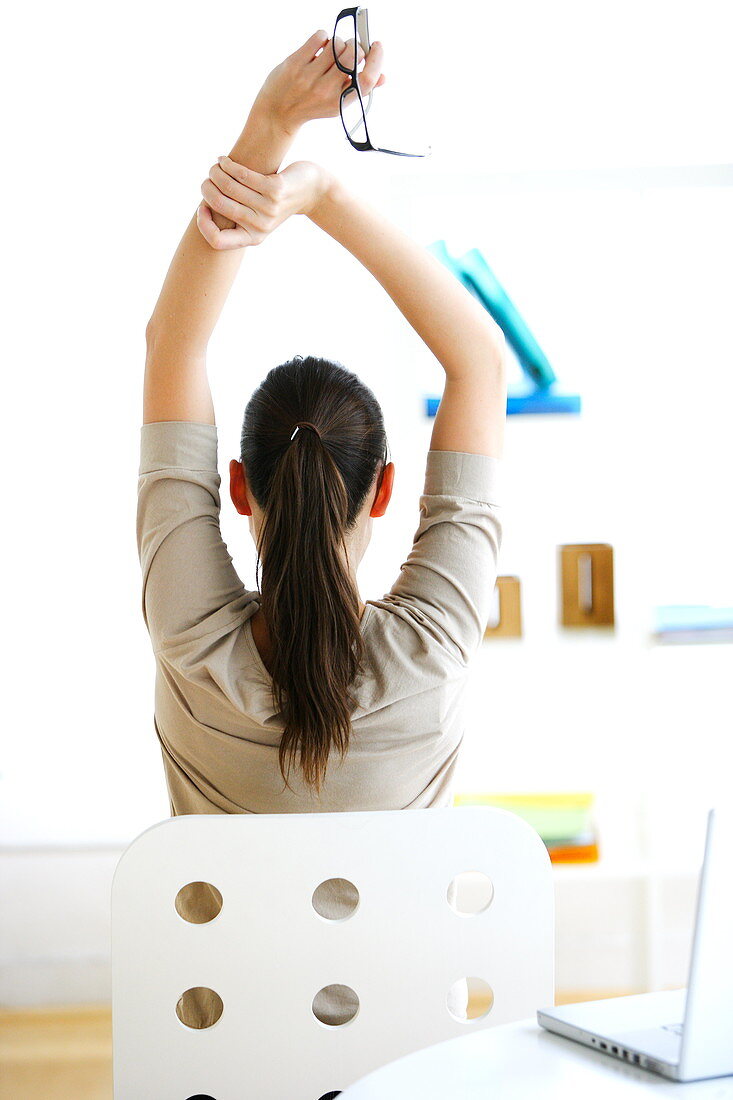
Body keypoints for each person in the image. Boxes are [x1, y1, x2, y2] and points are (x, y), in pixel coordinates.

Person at [138, 30, 507, 1030]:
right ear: (384, 489)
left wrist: (266, 131)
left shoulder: (190, 637)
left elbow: (173, 339)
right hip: (413, 1073)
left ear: (237, 489)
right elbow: (478, 361)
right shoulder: (430, 650)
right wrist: (324, 195)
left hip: (219, 1068)